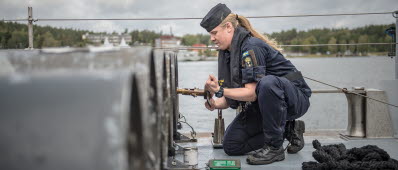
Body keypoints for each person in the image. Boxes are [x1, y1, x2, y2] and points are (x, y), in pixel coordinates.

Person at [201, 4, 312, 165]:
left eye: (214, 33)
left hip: (295, 99)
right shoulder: (227, 53)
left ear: (229, 27)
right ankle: (288, 129)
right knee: (231, 145)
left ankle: (274, 148)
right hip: (266, 104)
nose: (211, 38)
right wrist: (215, 103)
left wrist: (220, 89)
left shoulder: (250, 47)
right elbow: (231, 97)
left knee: (267, 83)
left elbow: (251, 93)